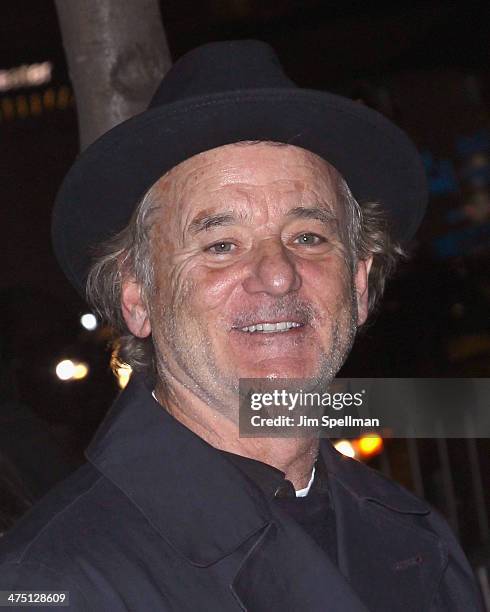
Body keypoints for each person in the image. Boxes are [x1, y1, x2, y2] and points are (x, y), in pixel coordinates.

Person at [0, 40, 483, 611]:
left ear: (358, 282)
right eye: (221, 245)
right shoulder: (53, 584)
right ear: (137, 294)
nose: (278, 276)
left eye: (309, 237)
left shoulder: (424, 543)